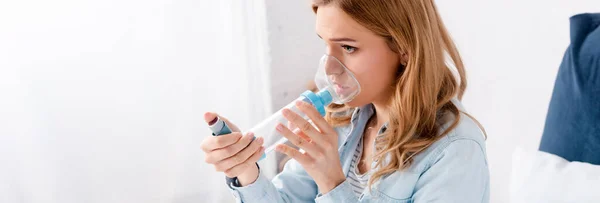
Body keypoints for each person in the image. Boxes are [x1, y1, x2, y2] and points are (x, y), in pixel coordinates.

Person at [201, 0, 489, 202]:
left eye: (348, 47)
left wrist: (332, 184)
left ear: (404, 48)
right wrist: (245, 170)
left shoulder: (454, 150)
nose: (329, 68)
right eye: (325, 45)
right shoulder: (340, 121)